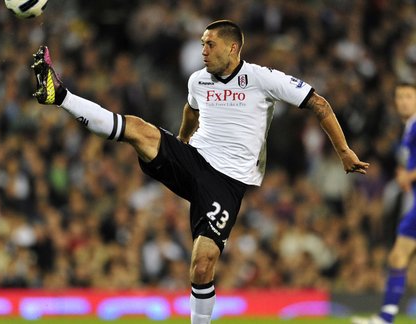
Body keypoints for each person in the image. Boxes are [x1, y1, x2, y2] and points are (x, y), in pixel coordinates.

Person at [31, 20, 369, 323]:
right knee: (137, 129)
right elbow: (190, 111)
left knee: (203, 264)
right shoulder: (198, 80)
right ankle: (59, 95)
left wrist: (343, 152)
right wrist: (178, 143)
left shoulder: (263, 78)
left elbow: (319, 103)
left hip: (227, 181)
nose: (203, 51)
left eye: (210, 44)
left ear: (233, 48)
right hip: (194, 159)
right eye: (202, 44)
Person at [351, 83, 416, 324]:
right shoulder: (408, 129)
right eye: (399, 97)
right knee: (398, 257)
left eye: (409, 96)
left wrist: (409, 176)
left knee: (399, 255)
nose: (403, 101)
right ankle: (386, 317)